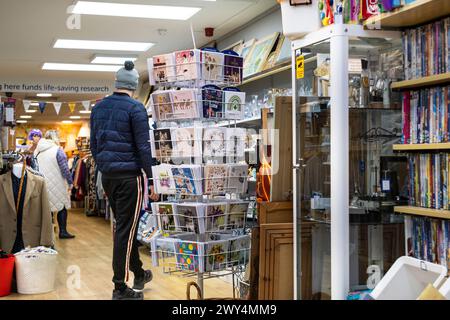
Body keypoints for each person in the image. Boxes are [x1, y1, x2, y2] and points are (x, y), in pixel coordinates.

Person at [90, 61, 159, 300]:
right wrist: (152, 180)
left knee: (123, 229)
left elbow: (94, 146)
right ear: (134, 86)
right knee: (125, 231)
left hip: (108, 176)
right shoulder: (136, 108)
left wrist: (104, 166)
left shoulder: (98, 108)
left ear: (117, 83)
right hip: (130, 178)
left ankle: (139, 272)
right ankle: (120, 287)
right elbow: (143, 147)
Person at [34, 130, 75, 239]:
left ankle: (46, 233)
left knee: (46, 207)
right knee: (62, 206)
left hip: (41, 182)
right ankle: (63, 231)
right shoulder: (58, 150)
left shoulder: (37, 150)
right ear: (55, 138)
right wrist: (70, 182)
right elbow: (65, 169)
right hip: (58, 183)